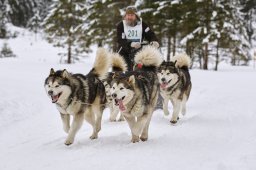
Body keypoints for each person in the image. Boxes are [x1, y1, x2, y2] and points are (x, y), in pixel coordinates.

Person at [116, 6, 160, 71]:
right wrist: (131, 44)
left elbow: (150, 34)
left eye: (131, 15)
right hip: (124, 52)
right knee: (127, 70)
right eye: (128, 15)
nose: (129, 17)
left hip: (138, 52)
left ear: (136, 16)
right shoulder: (121, 25)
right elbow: (121, 40)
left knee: (141, 70)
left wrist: (154, 41)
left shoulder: (142, 24)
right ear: (125, 16)